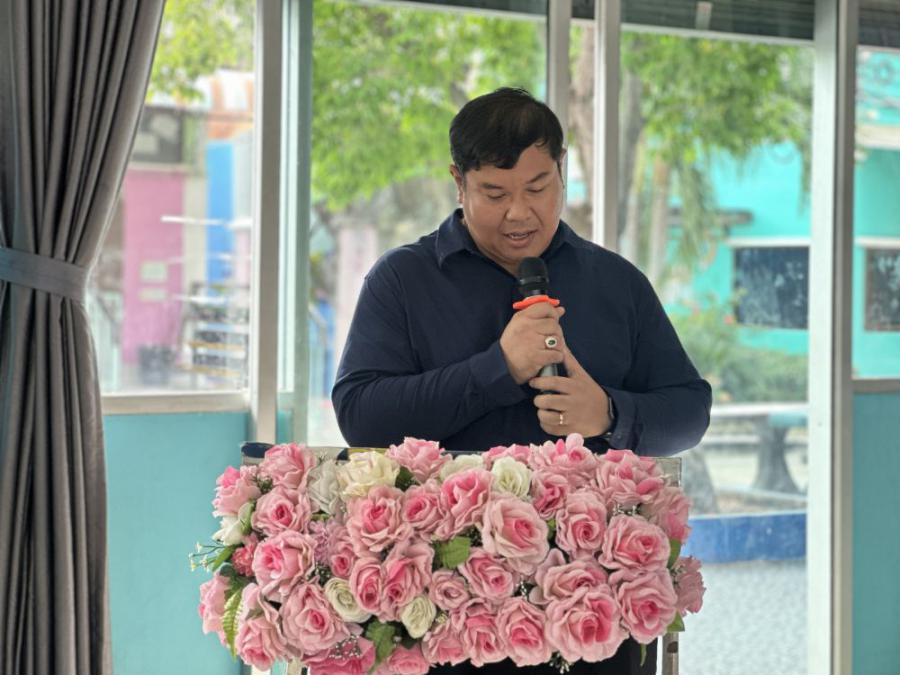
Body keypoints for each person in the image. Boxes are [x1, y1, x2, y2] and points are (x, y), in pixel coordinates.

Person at [332, 87, 711, 675]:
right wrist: (499, 367)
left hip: (593, 614)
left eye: (537, 188)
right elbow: (360, 414)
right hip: (443, 617)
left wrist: (608, 414)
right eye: (495, 193)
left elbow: (689, 411)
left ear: (562, 170)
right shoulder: (402, 280)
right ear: (458, 182)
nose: (519, 213)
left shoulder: (616, 283)